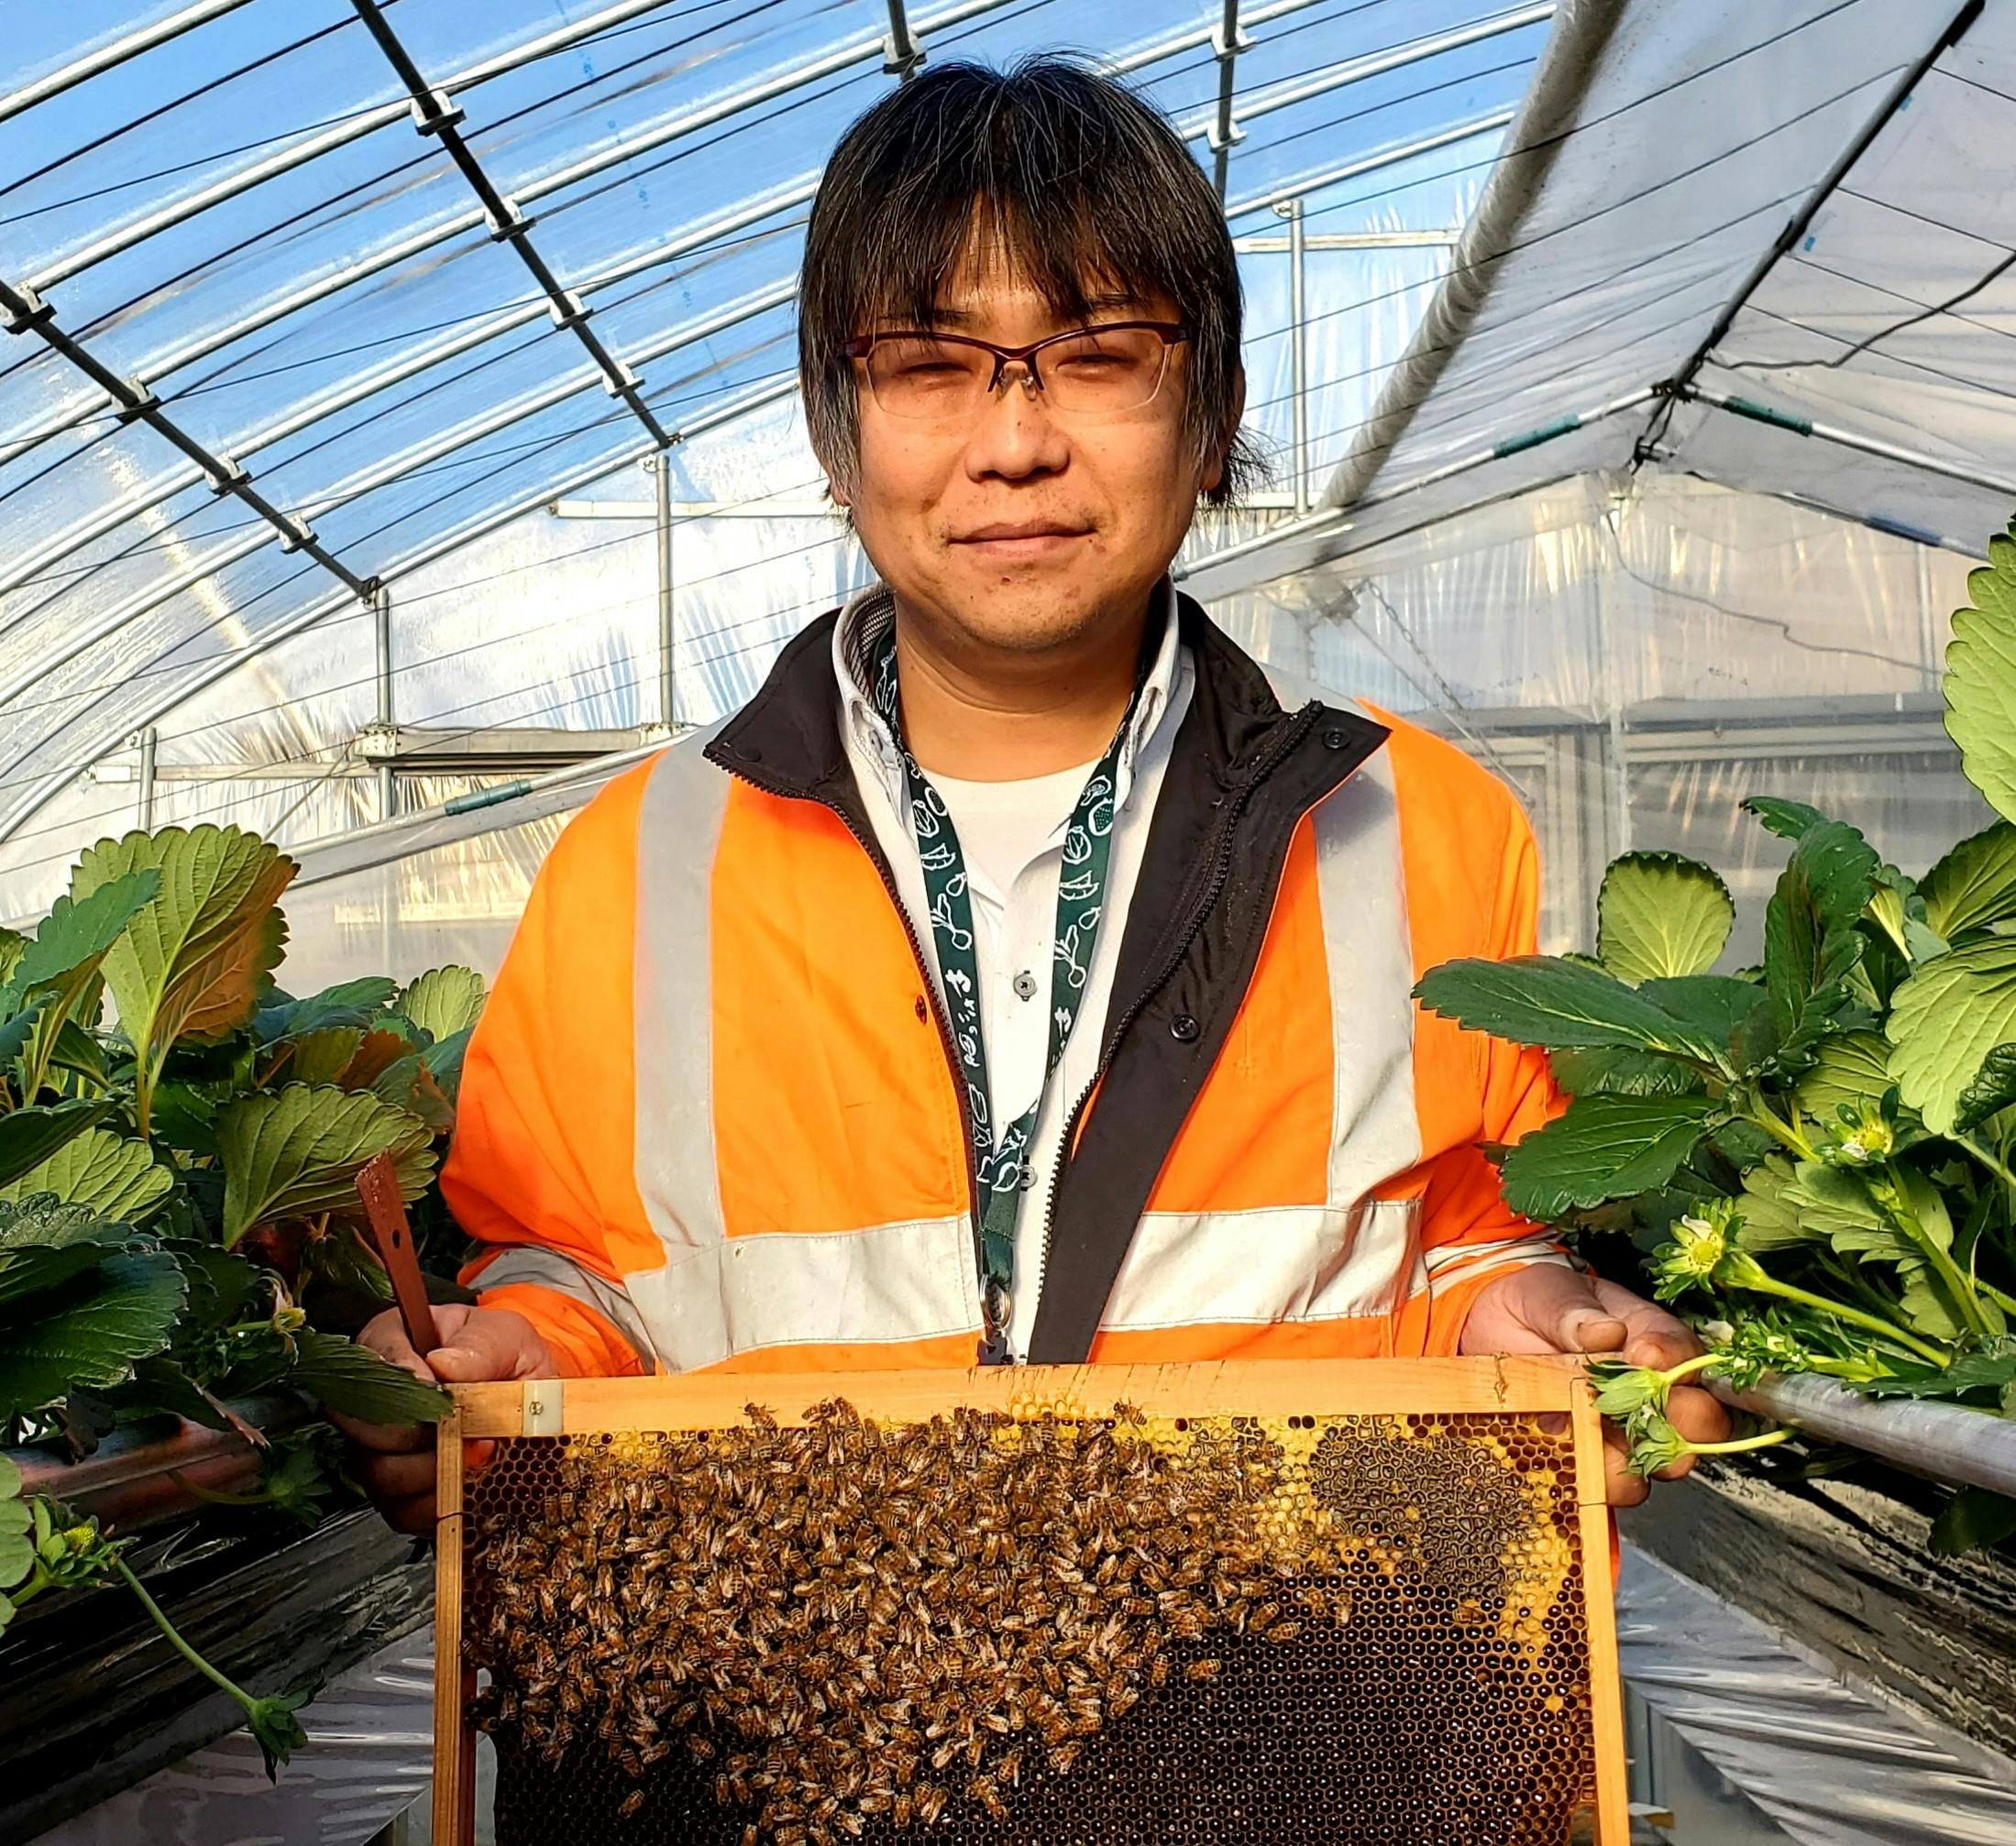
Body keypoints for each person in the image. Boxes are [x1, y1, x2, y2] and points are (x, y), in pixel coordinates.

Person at [340, 56, 1728, 1532]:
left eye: (1098, 354)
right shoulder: (641, 862)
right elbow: (577, 1276)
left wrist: (1530, 1317)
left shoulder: (1420, 825)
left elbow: (1466, 1242)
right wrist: (505, 1355)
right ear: (833, 431)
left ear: (1213, 412)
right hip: (783, 1743)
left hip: (1303, 1717)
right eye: (930, 368)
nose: (1014, 443)